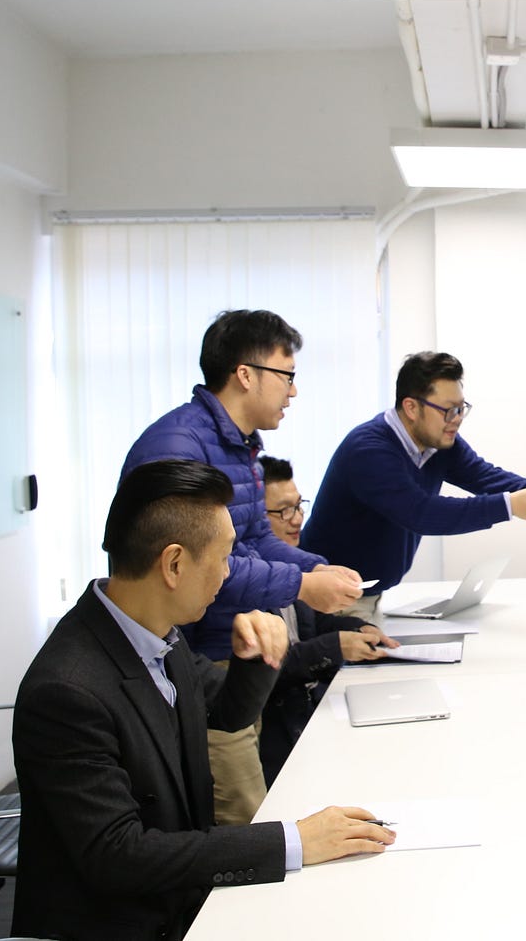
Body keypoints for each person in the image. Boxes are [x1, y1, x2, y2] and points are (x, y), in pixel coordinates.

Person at [12, 459, 394, 941]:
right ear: (174, 564)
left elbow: (226, 712)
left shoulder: (155, 634)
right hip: (126, 923)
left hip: (180, 894)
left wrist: (254, 657)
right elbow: (119, 855)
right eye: (225, 557)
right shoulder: (67, 691)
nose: (227, 574)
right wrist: (294, 840)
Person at [122, 309, 363, 825]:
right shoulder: (179, 447)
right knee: (245, 824)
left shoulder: (238, 445)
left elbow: (253, 540)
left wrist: (318, 569)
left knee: (259, 808)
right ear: (246, 374)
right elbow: (200, 569)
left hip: (234, 656)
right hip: (196, 664)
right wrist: (301, 584)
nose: (293, 391)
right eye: (287, 376)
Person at [301, 351, 526, 621]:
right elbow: (421, 513)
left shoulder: (438, 442)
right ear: (411, 407)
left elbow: (482, 475)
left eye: (461, 409)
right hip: (329, 600)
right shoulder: (369, 450)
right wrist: (510, 506)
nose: (456, 419)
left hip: (367, 595)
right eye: (448, 410)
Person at [257, 455, 398, 784]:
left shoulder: (298, 565)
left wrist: (358, 629)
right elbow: (266, 669)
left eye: (299, 506)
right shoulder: (244, 584)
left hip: (311, 711)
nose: (297, 519)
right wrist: (335, 647)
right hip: (279, 732)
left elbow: (314, 628)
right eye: (283, 511)